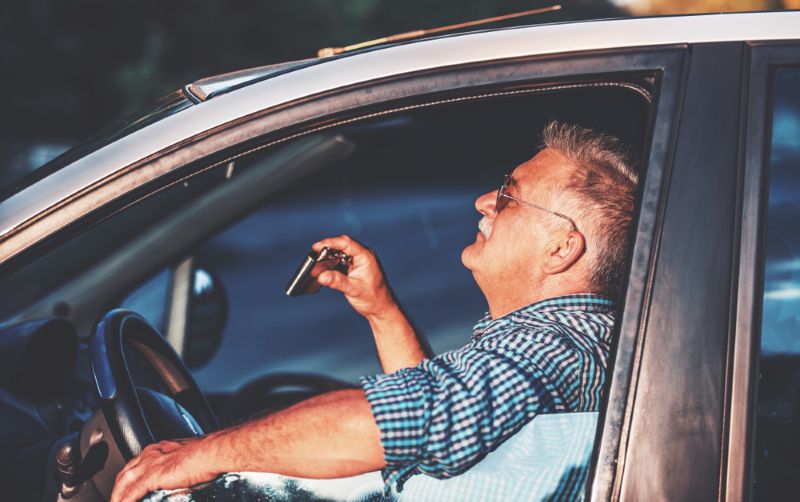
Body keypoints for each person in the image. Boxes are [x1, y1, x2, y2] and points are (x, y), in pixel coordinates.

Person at [110, 121, 639, 502]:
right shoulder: (568, 337)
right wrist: (380, 311)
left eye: (509, 196)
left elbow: (408, 419)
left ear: (561, 249)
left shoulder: (556, 344)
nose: (484, 201)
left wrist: (195, 456)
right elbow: (445, 416)